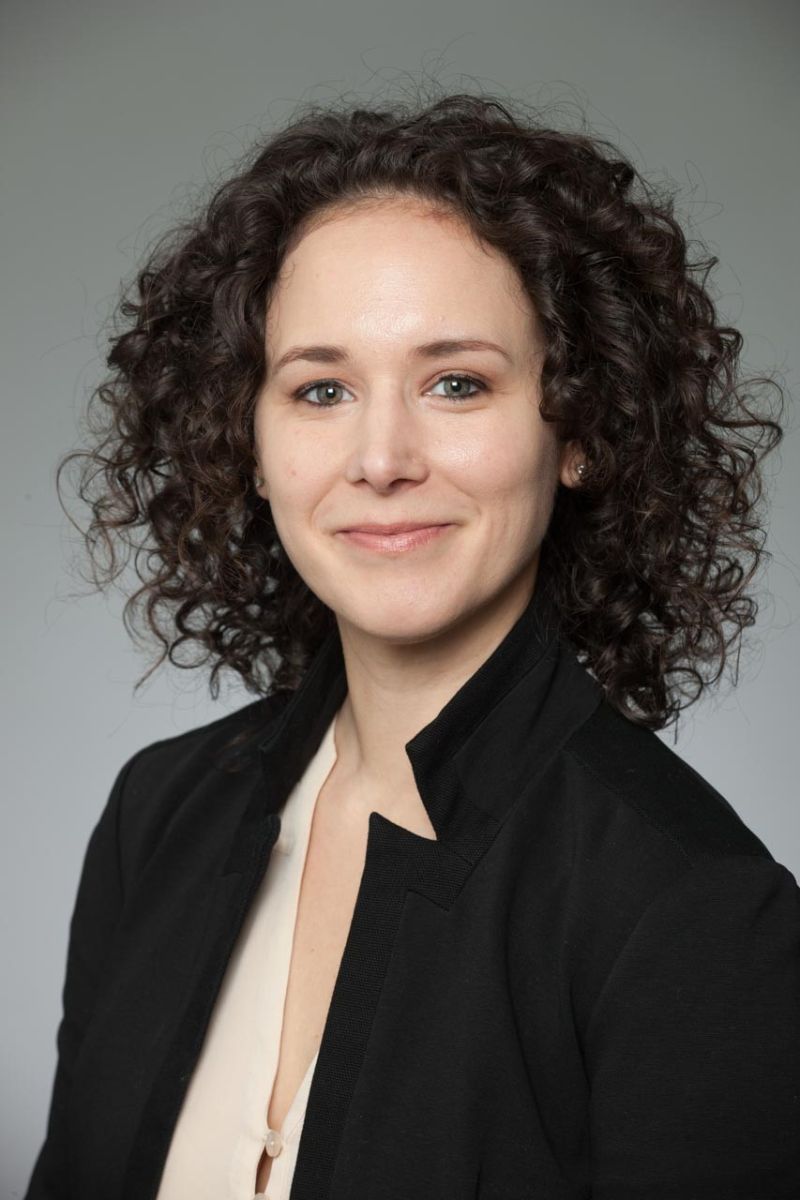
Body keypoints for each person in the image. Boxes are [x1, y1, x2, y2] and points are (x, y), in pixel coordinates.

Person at [25, 88, 799, 1200]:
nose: (380, 457)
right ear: (247, 443)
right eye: (321, 388)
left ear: (578, 428)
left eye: (455, 383)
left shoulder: (687, 908)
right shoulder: (157, 816)